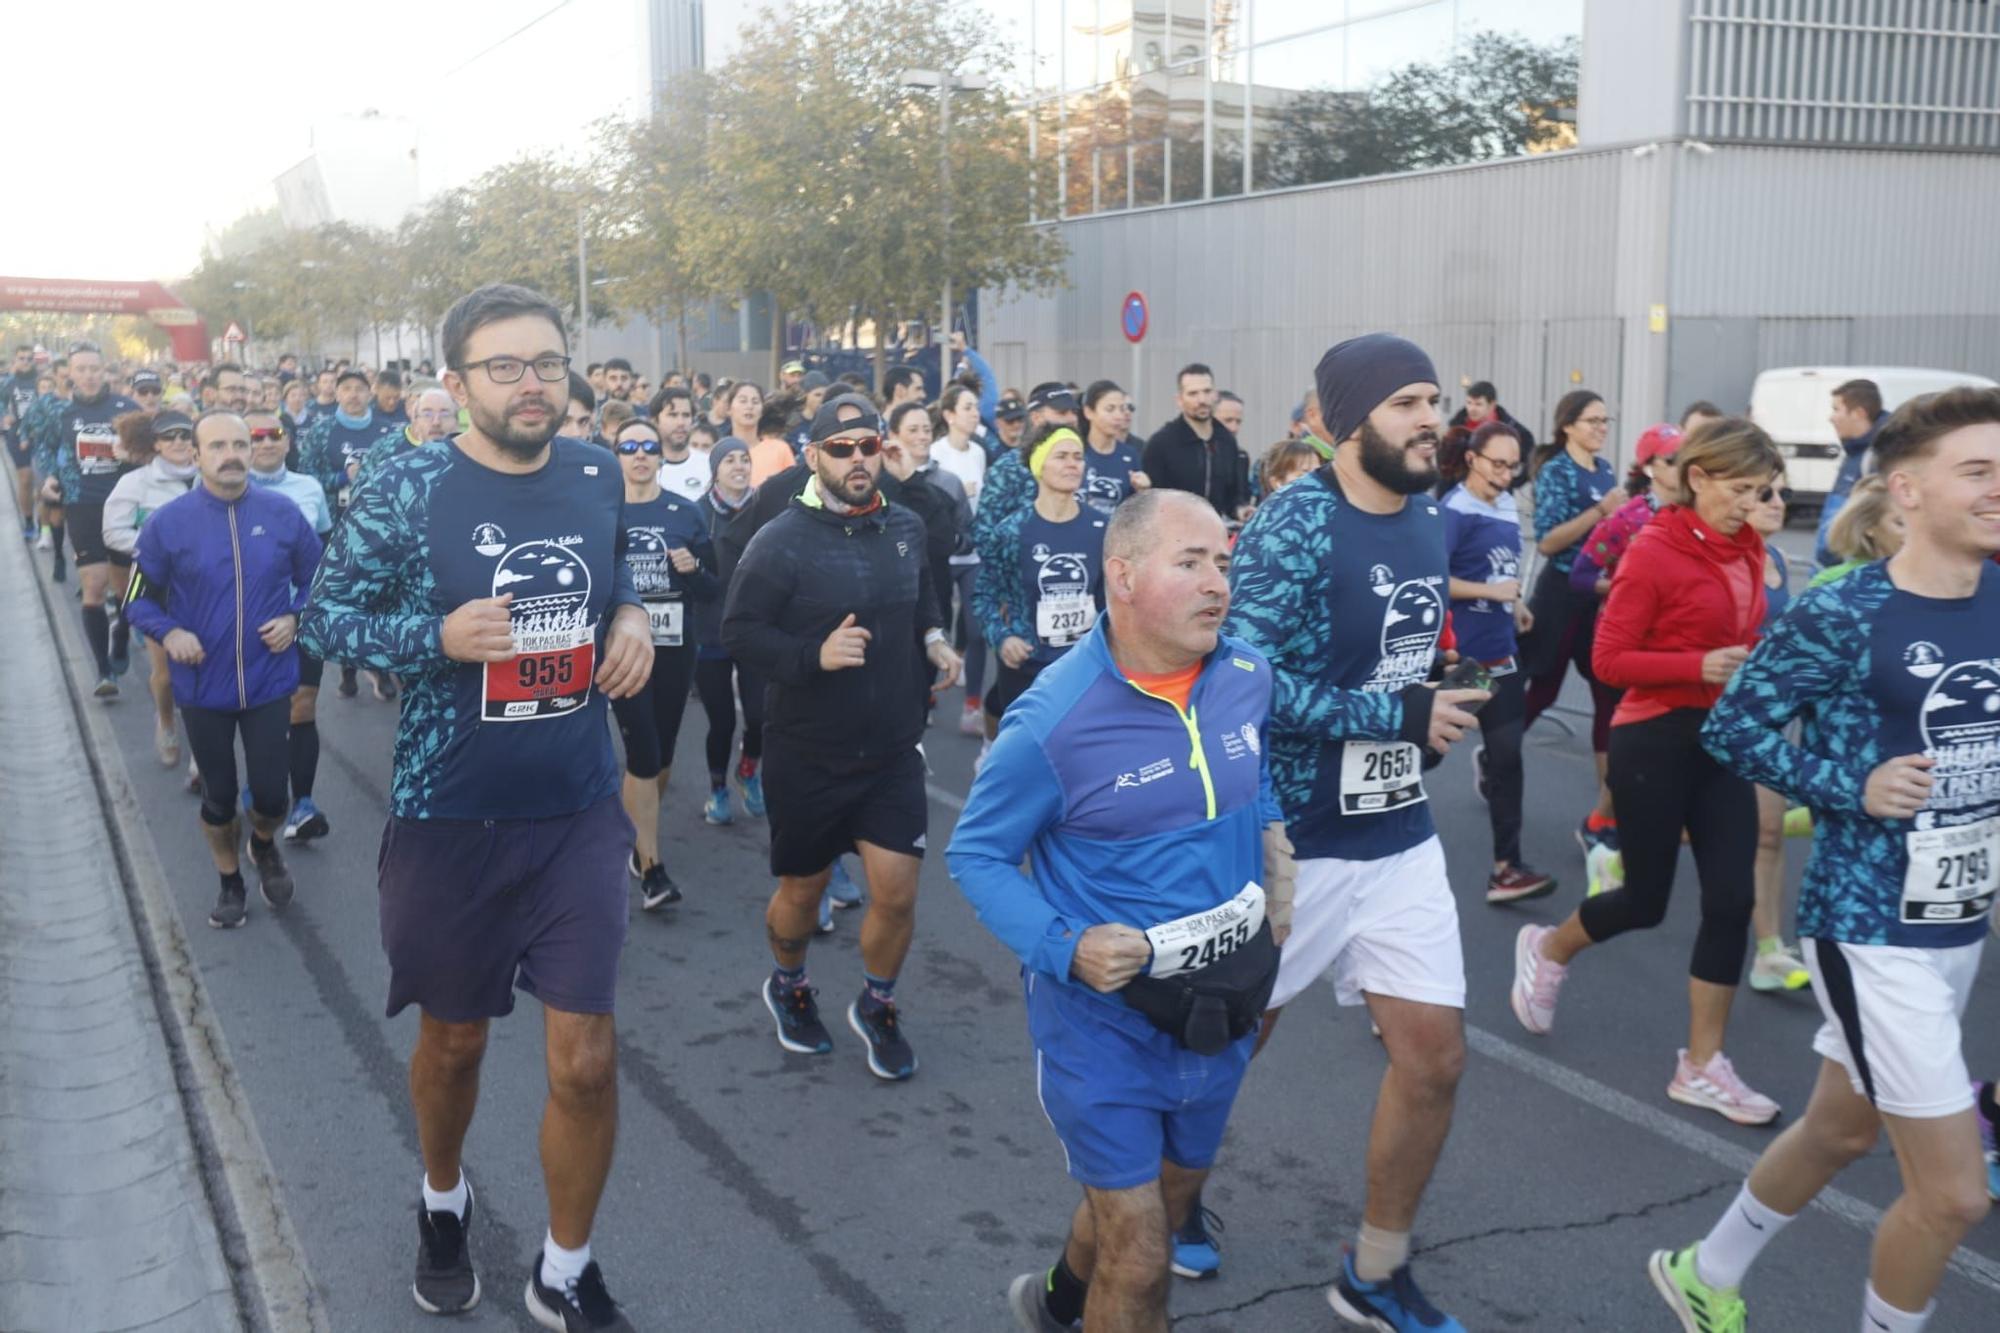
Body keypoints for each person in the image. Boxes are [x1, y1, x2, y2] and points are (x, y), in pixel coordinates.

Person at [299, 284, 651, 1330]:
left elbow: (618, 559)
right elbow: (324, 614)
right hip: (449, 812)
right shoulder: (407, 486)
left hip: (578, 805)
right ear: (454, 386)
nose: (532, 383)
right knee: (454, 1045)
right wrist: (436, 637)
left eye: (546, 362)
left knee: (586, 1056)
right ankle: (442, 1199)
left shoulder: (593, 470)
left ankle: (565, 1268)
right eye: (505, 367)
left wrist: (627, 611)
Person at [1655, 386, 2000, 1333]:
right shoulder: (1848, 609)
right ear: (1909, 489)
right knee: (1956, 1197)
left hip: (1956, 924)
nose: (1999, 489)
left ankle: (1703, 1268)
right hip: (1870, 927)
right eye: (1978, 470)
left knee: (1842, 1127)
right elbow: (1734, 728)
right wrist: (1852, 781)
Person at [948, 488, 1284, 1333]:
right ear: (1123, 576)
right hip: (1102, 1022)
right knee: (1140, 1254)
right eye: (1192, 562)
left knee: (1153, 1210)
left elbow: (1256, 780)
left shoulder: (1247, 675)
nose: (1219, 583)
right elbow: (975, 853)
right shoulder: (1053, 720)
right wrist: (1065, 944)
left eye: (1223, 561)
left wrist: (1279, 875)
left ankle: (1059, 1298)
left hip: (1221, 1006)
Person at [1222, 334, 1486, 1326]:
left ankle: (1372, 1269)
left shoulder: (1425, 517)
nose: (1431, 419)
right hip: (1294, 837)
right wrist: (1394, 718)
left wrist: (1430, 709)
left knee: (1434, 1059)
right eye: (1406, 403)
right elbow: (1241, 681)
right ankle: (1134, 1236)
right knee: (1226, 1056)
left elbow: (1400, 653)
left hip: (1397, 835)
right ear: (1343, 422)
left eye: (1434, 399)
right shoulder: (1294, 525)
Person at [1509, 418, 1787, 1126]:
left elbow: (1745, 631)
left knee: (1729, 900)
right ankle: (1548, 946)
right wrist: (1696, 665)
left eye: (1763, 490)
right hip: (1653, 737)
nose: (1753, 503)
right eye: (1742, 489)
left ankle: (1701, 1065)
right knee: (1647, 900)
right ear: (1698, 477)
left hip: (1720, 737)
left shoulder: (1751, 548)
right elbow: (1608, 660)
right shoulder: (1655, 550)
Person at [721, 392, 961, 1080]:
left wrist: (937, 640)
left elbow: (923, 596)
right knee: (804, 891)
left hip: (890, 750)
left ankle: (877, 1002)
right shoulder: (782, 540)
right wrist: (811, 656)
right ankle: (789, 983)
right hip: (808, 751)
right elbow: (740, 633)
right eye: (842, 448)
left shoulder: (907, 526)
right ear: (812, 456)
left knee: (897, 891)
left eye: (869, 446)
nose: (859, 460)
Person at [125, 411, 319, 927]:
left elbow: (320, 580)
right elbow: (136, 599)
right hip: (201, 684)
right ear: (196, 454)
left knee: (272, 794)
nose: (231, 454)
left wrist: (294, 617)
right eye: (218, 446)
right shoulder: (169, 522)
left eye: (240, 443)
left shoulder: (282, 514)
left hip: (269, 678)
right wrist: (170, 632)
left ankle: (264, 844)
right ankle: (230, 881)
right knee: (219, 794)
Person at [1442, 420, 1553, 903]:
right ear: (1472, 459)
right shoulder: (1453, 510)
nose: (1506, 475)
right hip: (1462, 659)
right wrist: (1489, 592)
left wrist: (1517, 605)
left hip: (1502, 654)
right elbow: (1434, 580)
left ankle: (1506, 868)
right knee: (1418, 756)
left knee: (1508, 760)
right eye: (1497, 464)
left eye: (1513, 466)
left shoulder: (1507, 505)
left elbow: (1503, 572)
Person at [609, 417, 717, 909]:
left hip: (675, 649)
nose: (639, 454)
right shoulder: (603, 514)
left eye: (648, 447)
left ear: (659, 455)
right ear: (616, 456)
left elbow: (714, 588)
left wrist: (693, 571)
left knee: (663, 756)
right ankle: (653, 869)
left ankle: (637, 837)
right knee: (644, 754)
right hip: (623, 651)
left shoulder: (686, 512)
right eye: (628, 446)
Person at [1521, 389, 1626, 894]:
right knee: (1541, 686)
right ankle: (1497, 755)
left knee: (1608, 691)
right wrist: (1602, 512)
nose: (1601, 428)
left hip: (1599, 595)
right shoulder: (1559, 472)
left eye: (1606, 420)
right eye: (1592, 421)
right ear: (1568, 426)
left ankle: (1606, 810)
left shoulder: (1606, 469)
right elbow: (1547, 540)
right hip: (1561, 592)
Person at [238, 409, 337, 843]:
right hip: (244, 618)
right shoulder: (226, 490)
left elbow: (324, 551)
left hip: (300, 613)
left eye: (274, 433)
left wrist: (305, 610)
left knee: (302, 704)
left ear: (288, 441)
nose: (265, 442)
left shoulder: (308, 488)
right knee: (256, 710)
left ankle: (303, 804)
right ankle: (259, 791)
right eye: (254, 436)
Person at [973, 427, 1108, 720]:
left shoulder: (1104, 528)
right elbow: (984, 594)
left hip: (1084, 667)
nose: (1073, 464)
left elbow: (1113, 600)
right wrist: (1003, 638)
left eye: (1078, 457)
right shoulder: (1011, 531)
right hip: (1028, 671)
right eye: (1061, 456)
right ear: (1039, 465)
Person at [105, 410, 200, 770]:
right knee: (165, 672)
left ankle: (202, 751)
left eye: (184, 435)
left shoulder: (209, 478)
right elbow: (113, 531)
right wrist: (159, 549)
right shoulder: (135, 483)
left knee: (205, 666)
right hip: (154, 582)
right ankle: (165, 720)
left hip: (204, 584)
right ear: (154, 443)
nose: (178, 442)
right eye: (168, 436)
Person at [43, 341, 139, 695]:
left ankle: (123, 635)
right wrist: (51, 478)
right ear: (70, 373)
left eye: (94, 369)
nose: (88, 375)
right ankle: (104, 672)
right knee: (94, 588)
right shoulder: (61, 414)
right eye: (80, 369)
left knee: (128, 589)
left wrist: (129, 453)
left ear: (105, 371)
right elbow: (50, 451)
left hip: (125, 504)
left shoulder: (125, 409)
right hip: (82, 504)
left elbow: (148, 455)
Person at [694, 437, 768, 827]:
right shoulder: (699, 513)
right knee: (721, 721)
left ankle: (747, 770)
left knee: (759, 716)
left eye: (744, 459)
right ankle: (718, 790)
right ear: (716, 470)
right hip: (710, 629)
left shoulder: (765, 509)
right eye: (730, 461)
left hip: (756, 628)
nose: (739, 466)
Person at [1142, 364, 1251, 521]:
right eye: (1193, 394)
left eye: (1207, 391)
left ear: (1215, 395)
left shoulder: (1226, 441)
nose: (1202, 400)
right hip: (1174, 532)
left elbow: (1233, 496)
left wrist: (1241, 510)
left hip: (1213, 532)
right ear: (1179, 400)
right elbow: (1151, 501)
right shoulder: (1161, 444)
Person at [1813, 378, 1889, 568]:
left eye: (1836, 409)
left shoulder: (1880, 456)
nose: (1831, 417)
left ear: (1858, 413)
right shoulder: (1856, 451)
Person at [1813, 475, 1906, 587]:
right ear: (1869, 526)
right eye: (1901, 523)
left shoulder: (1928, 582)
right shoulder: (1831, 582)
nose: (1914, 531)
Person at [1080, 380, 1149, 516]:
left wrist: (1144, 491)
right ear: (1088, 412)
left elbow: (1137, 512)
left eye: (1122, 409)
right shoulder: (1077, 452)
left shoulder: (1130, 455)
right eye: (1110, 409)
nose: (1118, 416)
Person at [4, 345, 40, 541]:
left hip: (40, 435)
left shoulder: (40, 381)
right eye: (22, 358)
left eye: (29, 358)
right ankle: (28, 521)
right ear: (15, 360)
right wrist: (4, 415)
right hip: (16, 435)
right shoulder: (8, 382)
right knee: (25, 479)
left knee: (42, 481)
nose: (25, 362)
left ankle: (45, 525)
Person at [1447, 379, 1538, 456]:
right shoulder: (1456, 430)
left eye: (1478, 404)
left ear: (1492, 405)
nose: (1472, 409)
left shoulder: (1518, 434)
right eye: (1469, 403)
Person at [647, 386, 707, 502]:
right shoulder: (643, 467)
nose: (681, 423)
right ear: (655, 421)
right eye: (673, 415)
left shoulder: (708, 465)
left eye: (686, 415)